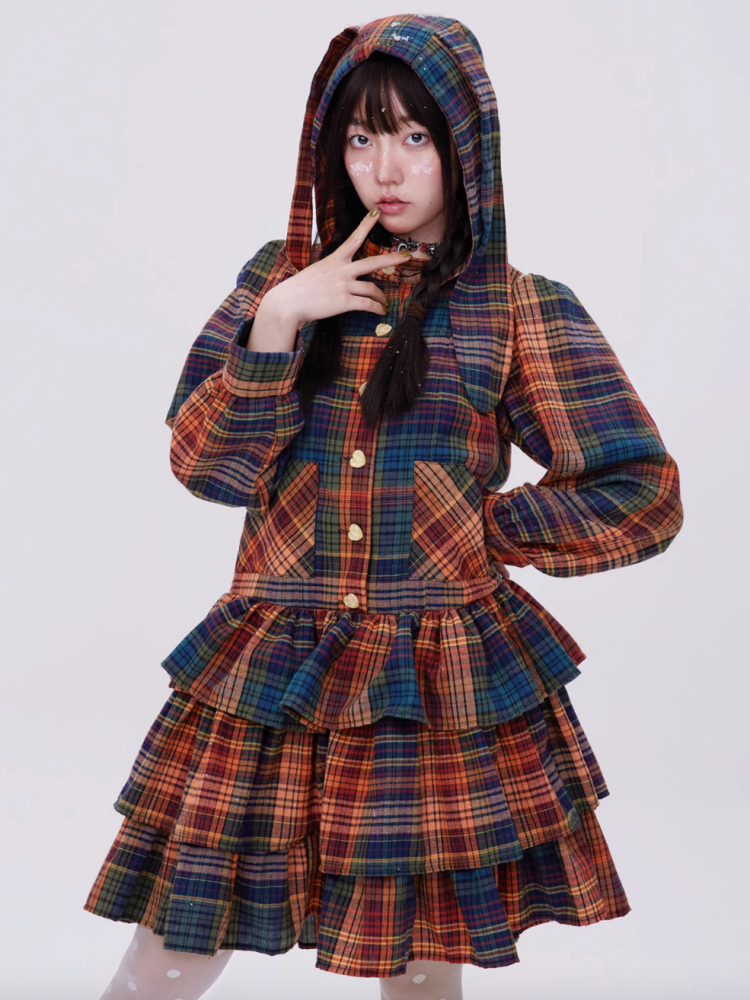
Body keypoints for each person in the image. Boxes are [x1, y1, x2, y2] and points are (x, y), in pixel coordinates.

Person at [83, 13, 684, 1000]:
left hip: (428, 685)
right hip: (274, 672)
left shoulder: (518, 308)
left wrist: (485, 529)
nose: (385, 170)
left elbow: (639, 490)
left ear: (464, 145)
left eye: (413, 136)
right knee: (174, 946)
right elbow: (206, 467)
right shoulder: (275, 283)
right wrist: (280, 321)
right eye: (361, 138)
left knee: (415, 961)